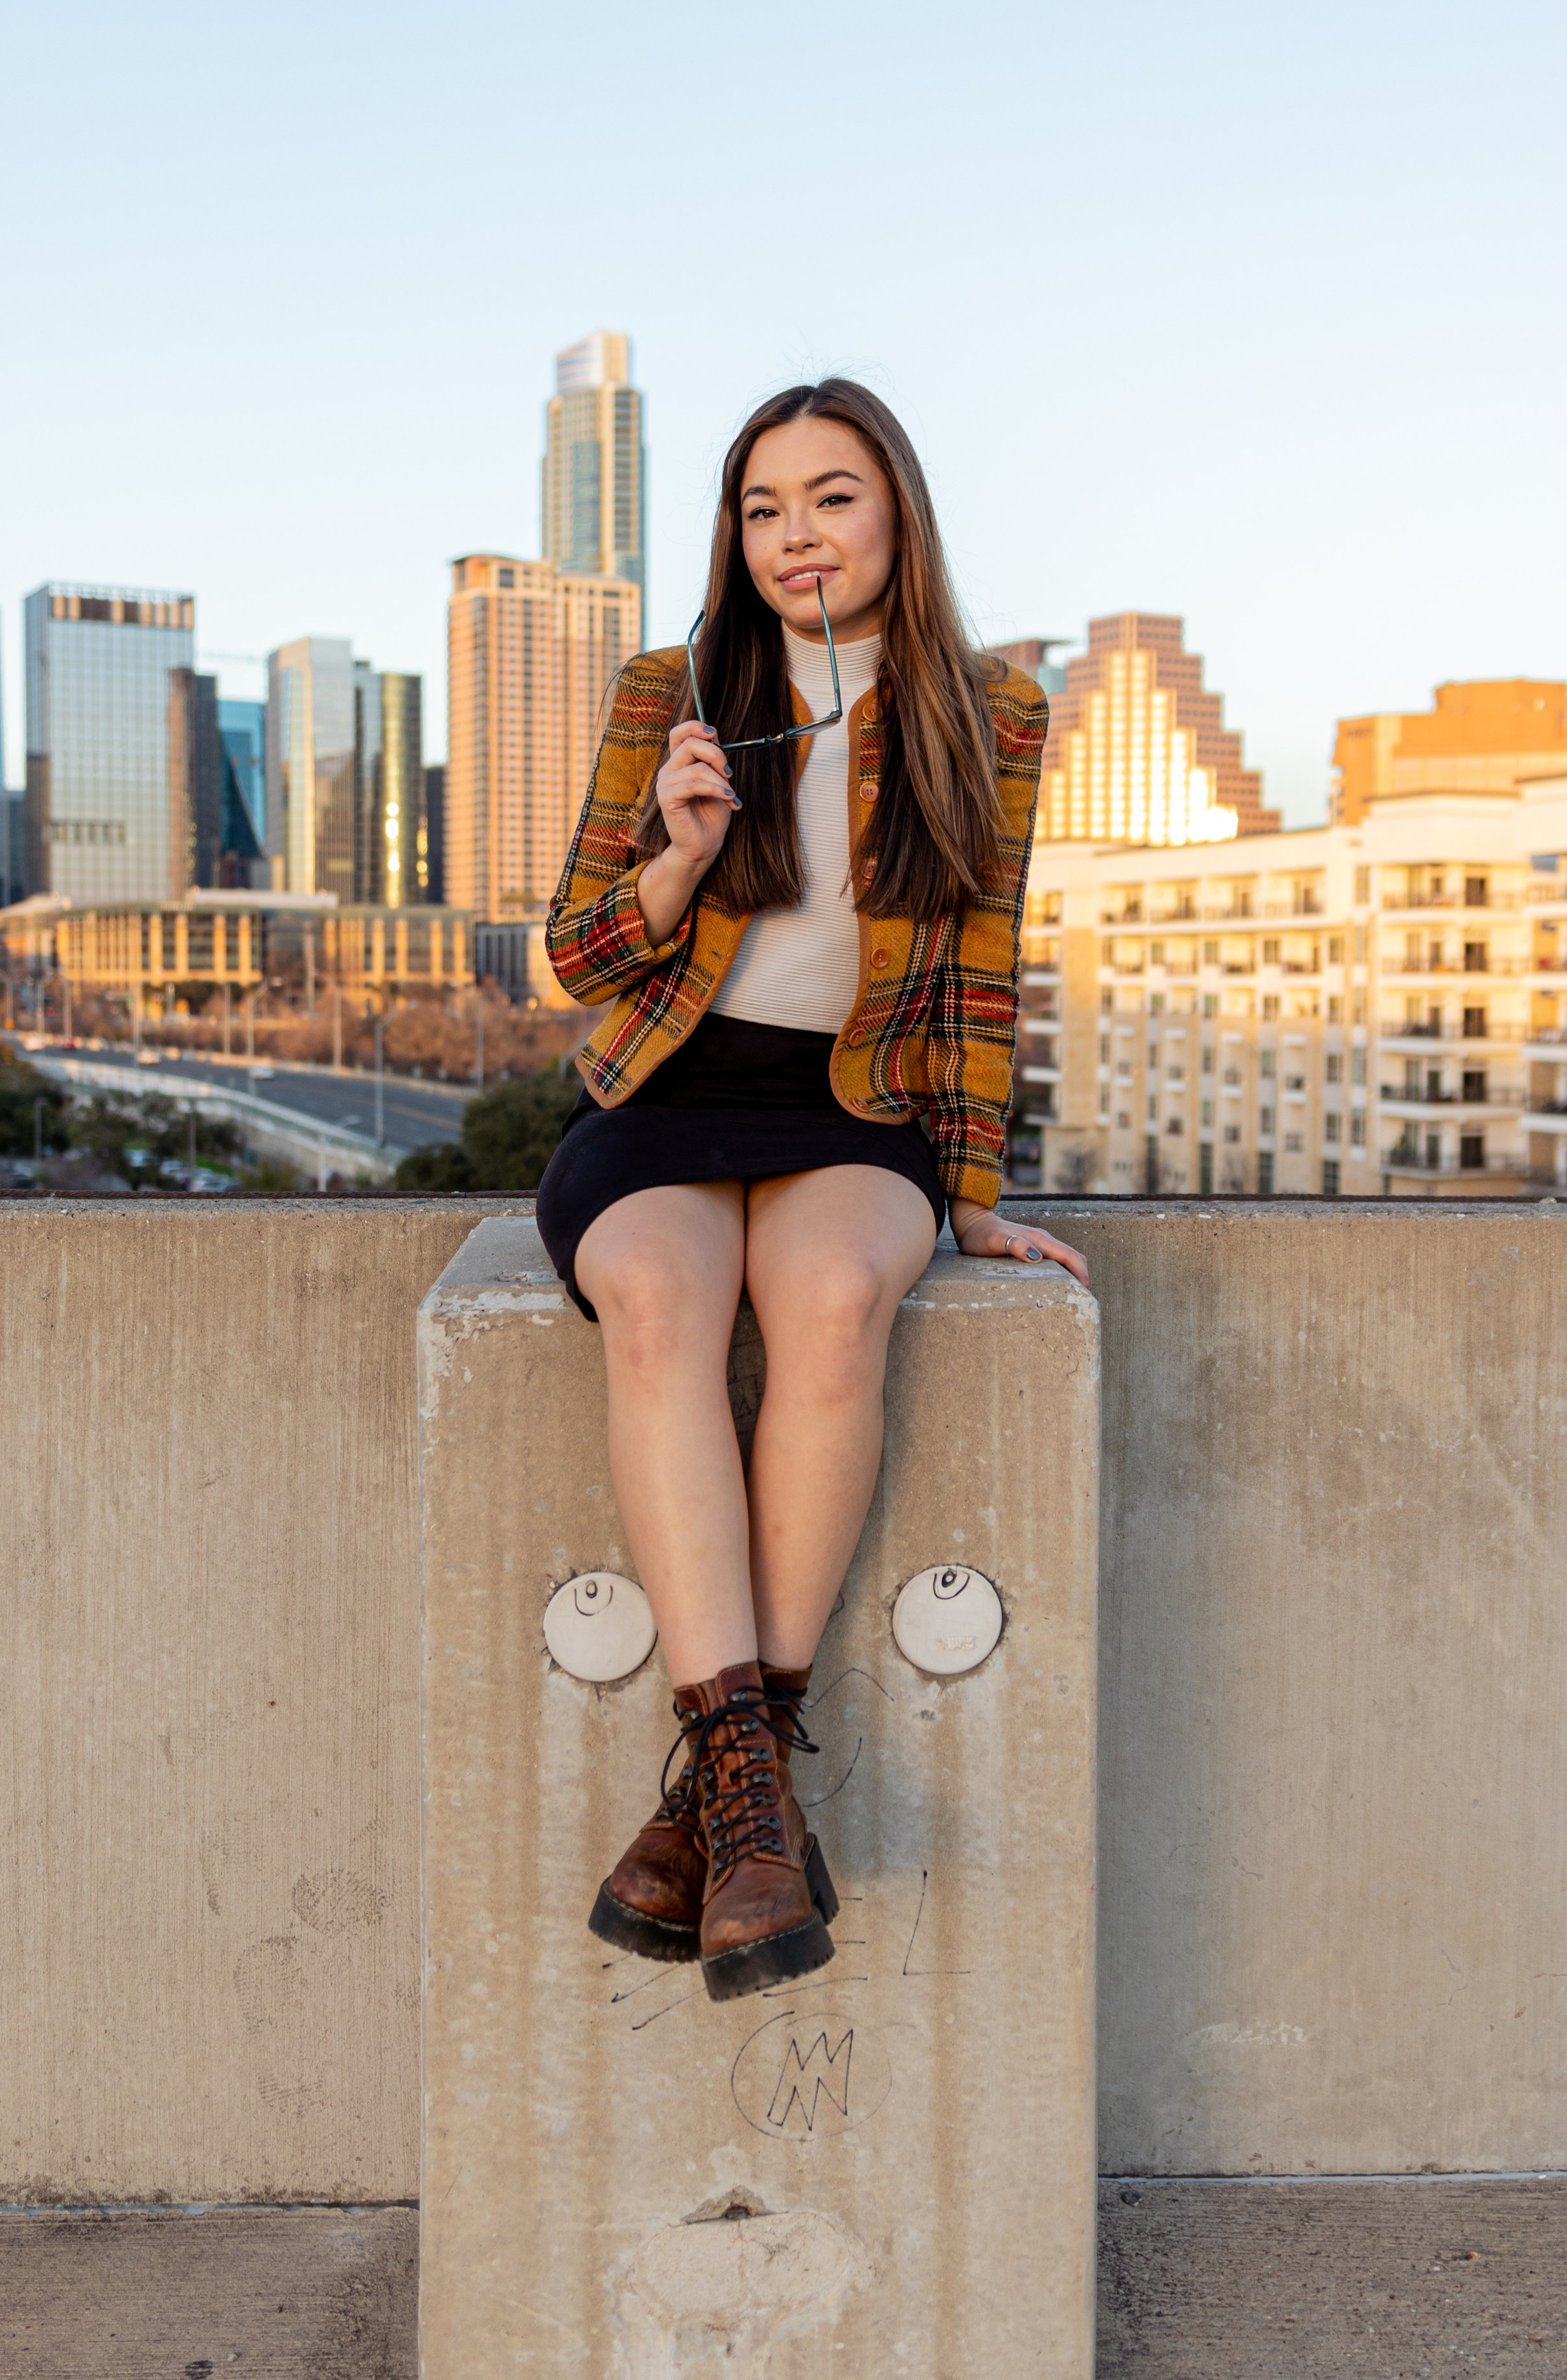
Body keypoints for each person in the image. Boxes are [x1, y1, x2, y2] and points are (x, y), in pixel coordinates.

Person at [537, 377, 1089, 2003]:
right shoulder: (670, 690)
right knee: (655, 1294)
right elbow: (572, 960)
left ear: (895, 513)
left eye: (830, 497)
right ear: (734, 533)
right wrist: (681, 853)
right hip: (671, 1089)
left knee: (835, 1295)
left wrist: (973, 1192)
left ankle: (713, 1800)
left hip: (861, 1107)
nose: (795, 536)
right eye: (762, 507)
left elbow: (982, 968)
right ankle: (756, 1791)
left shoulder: (987, 713)